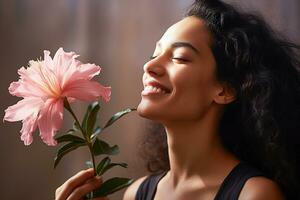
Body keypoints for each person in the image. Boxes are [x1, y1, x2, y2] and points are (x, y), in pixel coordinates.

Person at [55, 0, 300, 199]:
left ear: (225, 90)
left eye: (180, 57)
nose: (150, 65)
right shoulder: (136, 193)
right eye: (154, 54)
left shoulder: (254, 194)